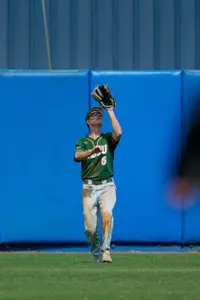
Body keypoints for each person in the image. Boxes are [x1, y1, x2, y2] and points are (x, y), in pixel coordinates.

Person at [74, 105, 122, 263]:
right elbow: (77, 156)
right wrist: (91, 151)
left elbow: (119, 132)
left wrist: (110, 111)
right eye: (94, 115)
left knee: (107, 214)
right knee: (90, 228)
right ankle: (96, 253)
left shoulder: (107, 138)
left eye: (99, 115)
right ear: (88, 121)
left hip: (107, 185)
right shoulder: (83, 141)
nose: (97, 116)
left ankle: (106, 250)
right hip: (88, 188)